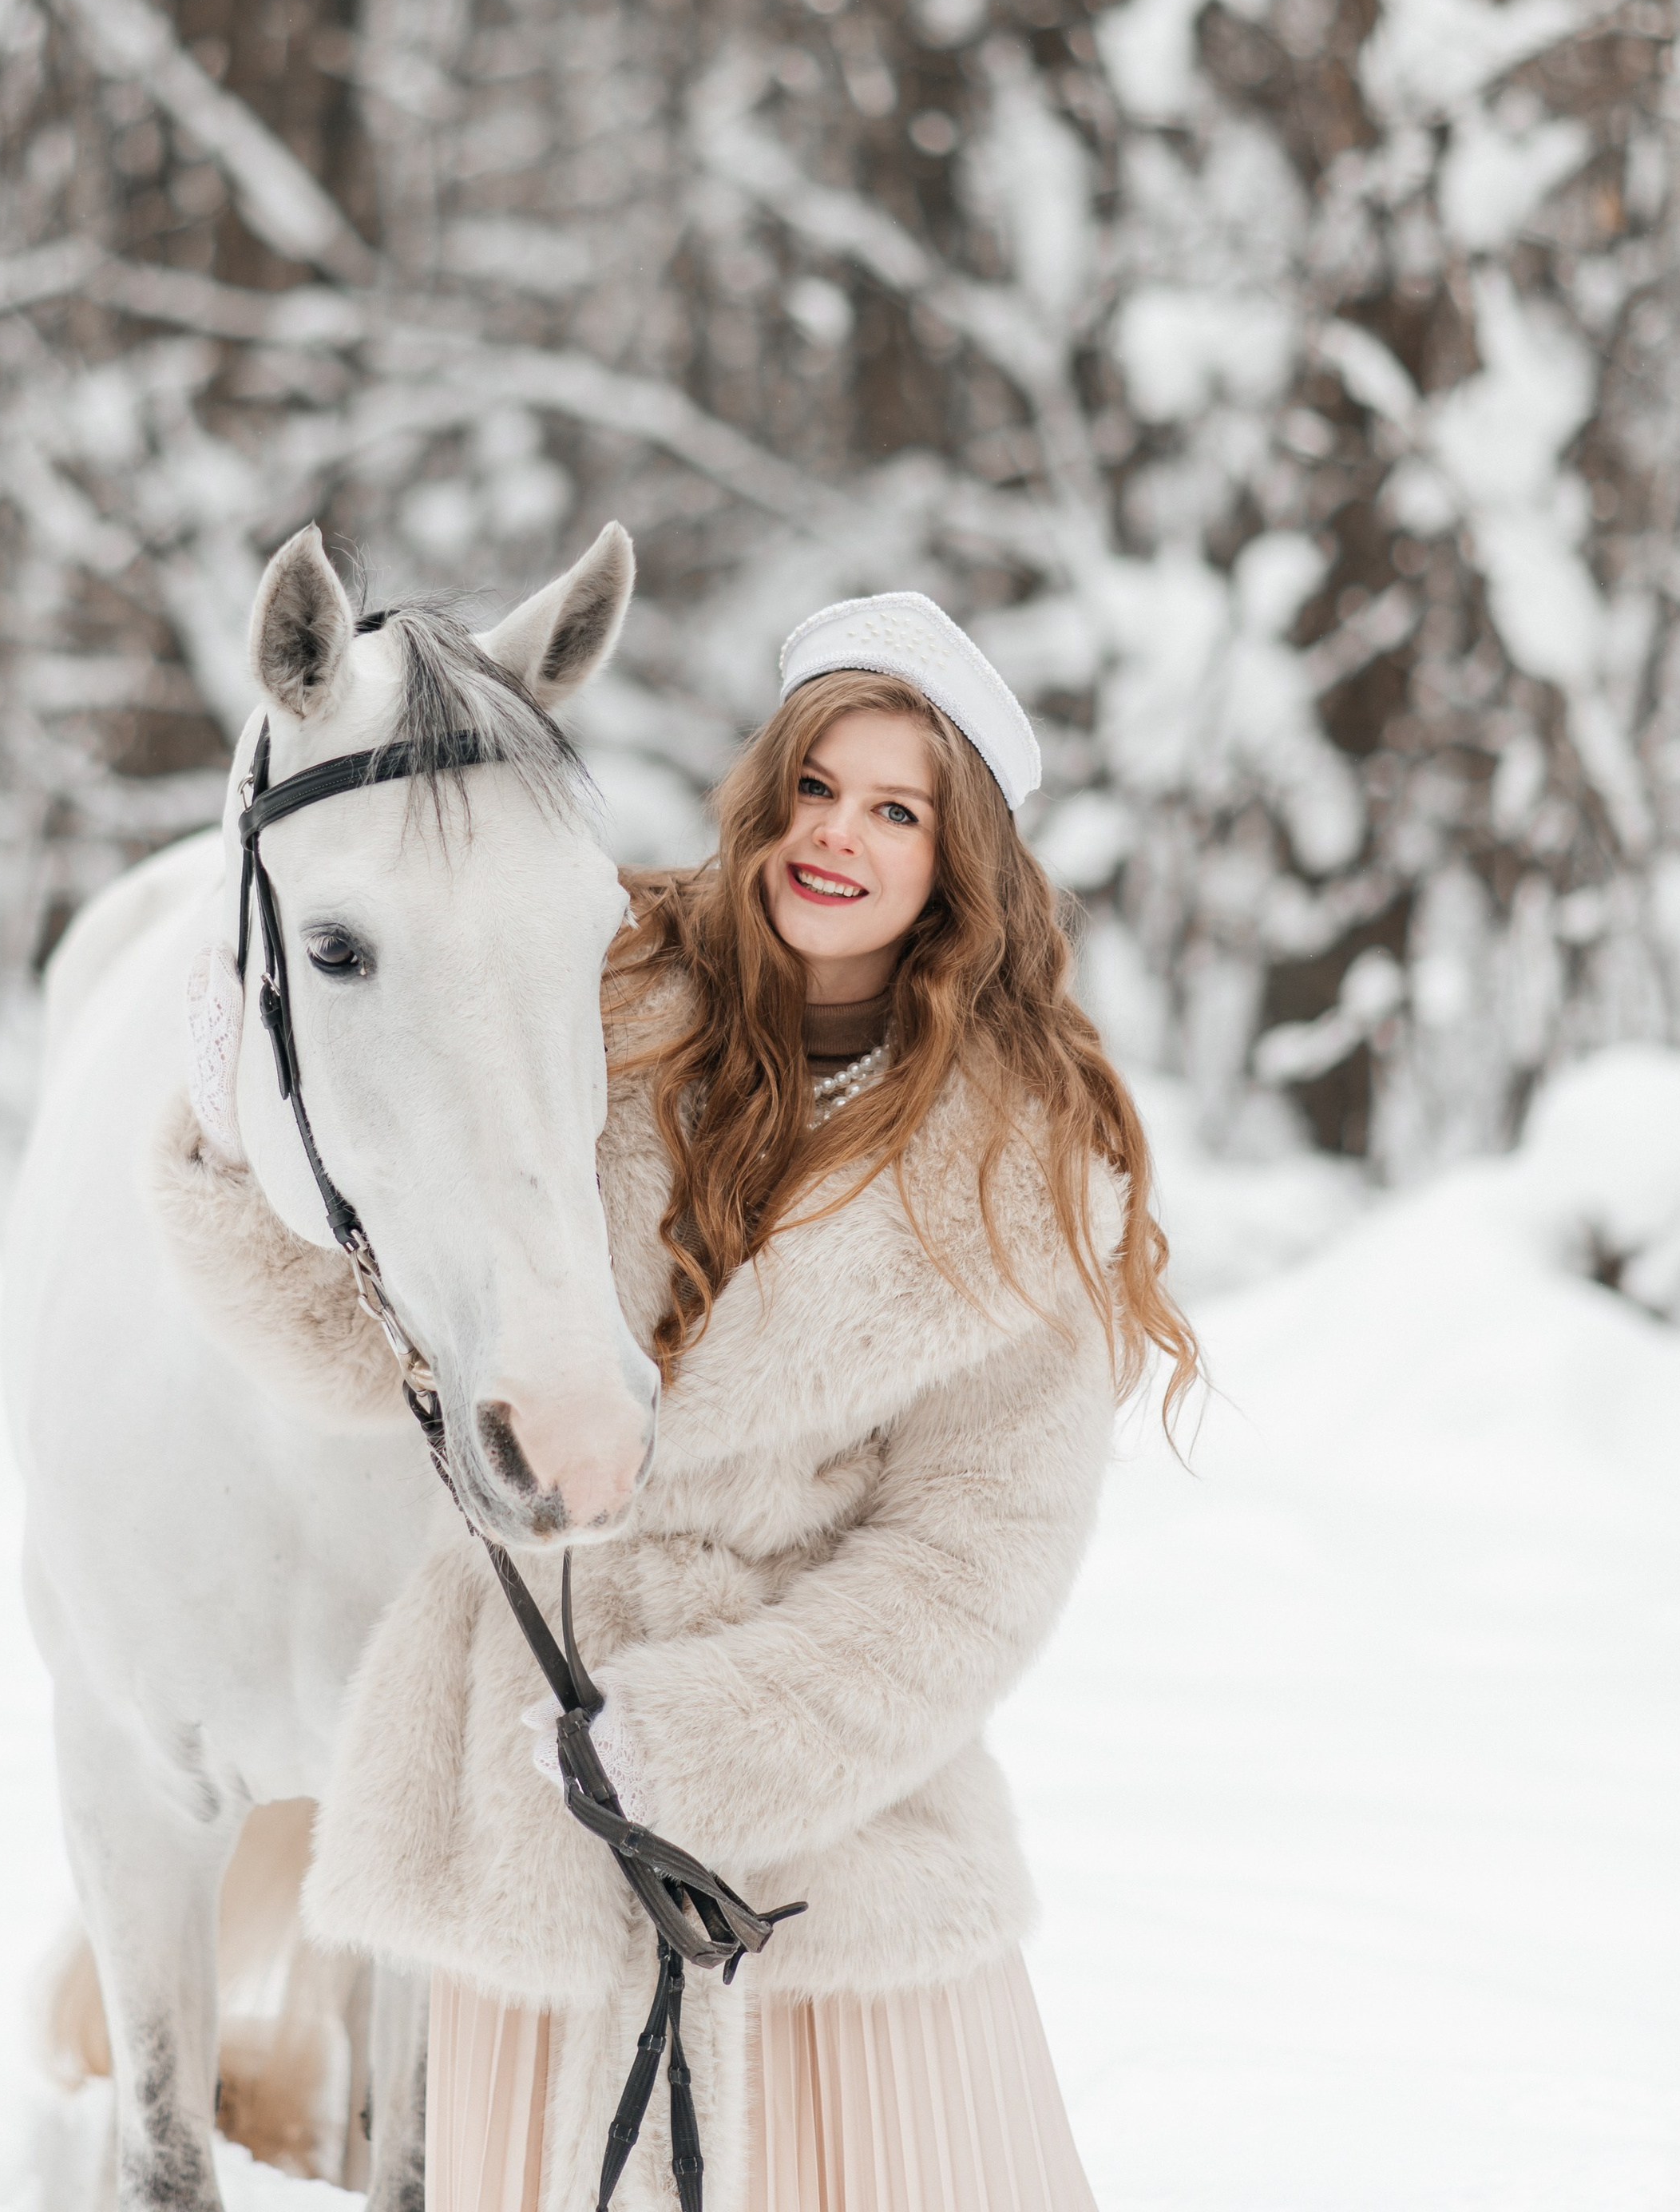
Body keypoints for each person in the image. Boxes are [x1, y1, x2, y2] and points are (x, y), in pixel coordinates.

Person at [307, 590, 1197, 2212]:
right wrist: (245, 1139)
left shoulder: (1014, 1179)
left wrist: (710, 1749)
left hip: (815, 1870)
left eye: (892, 809)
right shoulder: (584, 1006)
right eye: (810, 787)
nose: (832, 837)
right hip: (534, 1809)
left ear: (957, 864)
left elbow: (974, 1563)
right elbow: (374, 1334)